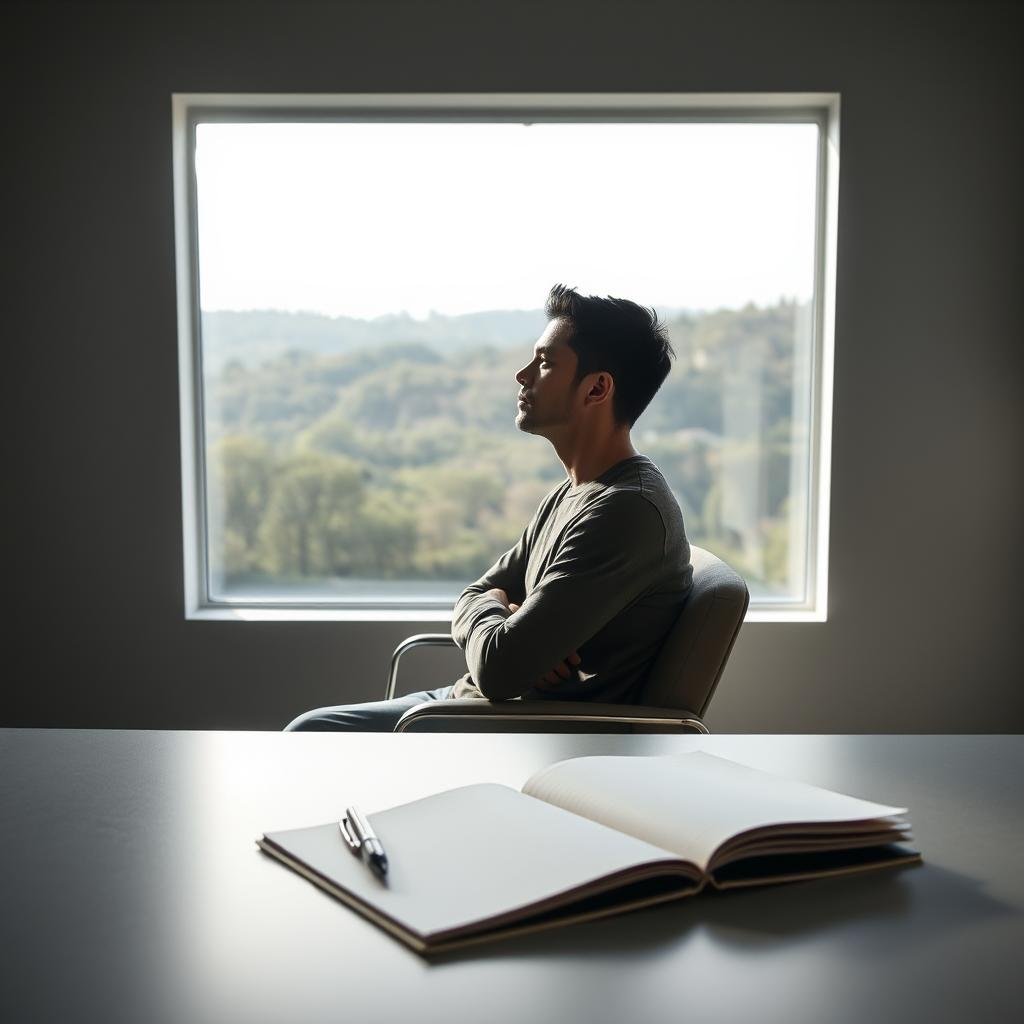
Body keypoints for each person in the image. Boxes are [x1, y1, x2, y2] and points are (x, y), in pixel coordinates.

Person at [284, 283, 692, 731]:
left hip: (510, 725)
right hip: (472, 703)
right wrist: (503, 612)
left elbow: (500, 669)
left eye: (545, 363)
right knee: (309, 730)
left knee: (310, 733)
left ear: (596, 389)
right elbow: (473, 596)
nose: (522, 376)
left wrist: (505, 619)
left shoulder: (625, 513)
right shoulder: (571, 493)